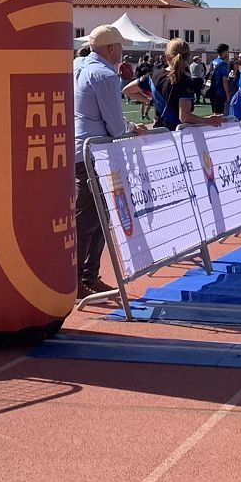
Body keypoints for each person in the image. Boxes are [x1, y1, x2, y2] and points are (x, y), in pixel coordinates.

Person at [73, 25, 147, 298]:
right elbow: (115, 127)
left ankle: (86, 275)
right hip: (96, 155)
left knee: (95, 218)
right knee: (92, 219)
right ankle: (81, 277)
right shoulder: (104, 75)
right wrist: (131, 127)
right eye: (121, 47)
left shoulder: (79, 65)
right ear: (111, 49)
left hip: (83, 152)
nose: (123, 52)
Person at [124, 38, 225, 131]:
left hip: (159, 131)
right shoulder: (185, 80)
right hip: (178, 134)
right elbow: (185, 117)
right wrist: (210, 120)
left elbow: (127, 90)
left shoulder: (154, 74)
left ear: (167, 56)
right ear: (188, 56)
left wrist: (150, 101)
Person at [207, 44, 231, 115]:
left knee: (214, 112)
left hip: (212, 90)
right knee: (220, 114)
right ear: (224, 52)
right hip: (220, 92)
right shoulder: (223, 64)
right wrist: (227, 94)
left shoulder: (212, 62)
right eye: (227, 52)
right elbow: (224, 81)